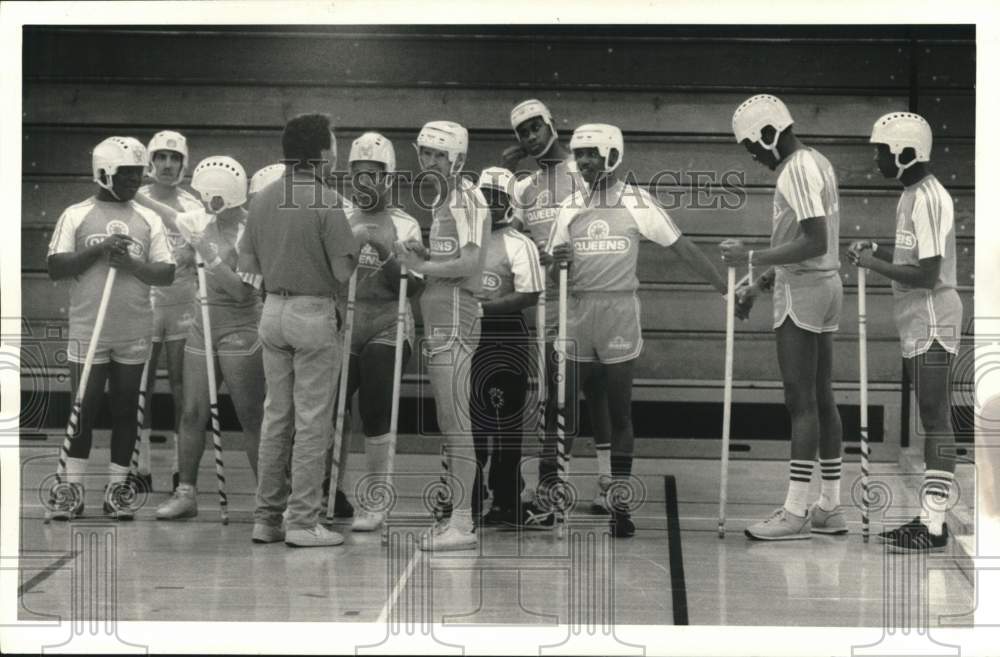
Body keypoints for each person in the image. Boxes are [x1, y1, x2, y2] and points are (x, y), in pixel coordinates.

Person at [551, 124, 727, 537]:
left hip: (618, 312)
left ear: (613, 154)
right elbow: (551, 265)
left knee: (618, 410)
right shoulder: (569, 206)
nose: (586, 161)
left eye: (593, 152)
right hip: (577, 311)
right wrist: (555, 262)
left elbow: (680, 246)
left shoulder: (636, 201)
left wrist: (724, 286)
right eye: (580, 155)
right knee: (562, 412)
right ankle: (553, 498)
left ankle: (620, 501)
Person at [720, 94, 845, 541]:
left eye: (753, 146)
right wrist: (758, 283)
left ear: (769, 133)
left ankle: (794, 512)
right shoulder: (818, 162)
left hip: (805, 291)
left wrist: (751, 255)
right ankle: (829, 507)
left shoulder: (795, 169)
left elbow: (813, 240)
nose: (754, 157)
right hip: (825, 286)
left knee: (801, 402)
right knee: (822, 397)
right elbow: (810, 241)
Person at [238, 113, 360, 548]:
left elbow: (248, 264)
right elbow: (343, 270)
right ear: (322, 153)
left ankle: (266, 518)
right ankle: (304, 522)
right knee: (312, 421)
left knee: (277, 416)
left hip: (272, 308)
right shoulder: (328, 200)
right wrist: (357, 243)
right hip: (312, 311)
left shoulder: (262, 198)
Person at [849, 112, 963, 553]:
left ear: (904, 151)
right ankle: (929, 519)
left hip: (932, 315)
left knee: (936, 418)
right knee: (931, 418)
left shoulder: (930, 198)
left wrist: (871, 264)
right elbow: (913, 254)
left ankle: (933, 526)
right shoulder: (910, 196)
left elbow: (929, 274)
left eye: (881, 150)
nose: (876, 159)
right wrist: (877, 249)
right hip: (916, 316)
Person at [46, 136, 175, 520]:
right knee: (82, 410)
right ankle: (73, 490)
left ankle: (118, 488)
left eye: (139, 172)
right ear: (104, 173)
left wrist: (132, 264)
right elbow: (55, 267)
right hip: (89, 329)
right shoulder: (76, 214)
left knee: (125, 411)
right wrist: (99, 251)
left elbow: (166, 273)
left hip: (134, 329)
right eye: (128, 173)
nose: (136, 180)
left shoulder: (149, 219)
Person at [134, 156, 266, 520]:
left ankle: (269, 499)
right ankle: (186, 493)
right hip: (201, 325)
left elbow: (242, 292)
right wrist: (175, 259)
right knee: (191, 411)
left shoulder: (251, 231)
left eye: (209, 196)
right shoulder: (198, 221)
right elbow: (175, 247)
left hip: (241, 328)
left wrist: (205, 252)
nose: (205, 201)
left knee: (250, 415)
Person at [505, 100, 616, 518]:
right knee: (555, 394)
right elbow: (511, 236)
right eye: (523, 132)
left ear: (552, 125)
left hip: (590, 295)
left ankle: (605, 481)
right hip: (548, 303)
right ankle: (553, 481)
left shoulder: (582, 171)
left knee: (598, 390)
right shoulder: (526, 185)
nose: (530, 137)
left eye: (536, 127)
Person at [395, 120, 489, 551]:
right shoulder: (447, 199)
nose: (429, 162)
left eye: (439, 155)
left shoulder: (467, 198)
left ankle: (463, 522)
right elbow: (454, 255)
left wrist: (421, 267)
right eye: (425, 153)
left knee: (456, 422)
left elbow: (470, 265)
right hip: (441, 315)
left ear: (457, 159)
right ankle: (458, 515)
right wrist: (427, 254)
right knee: (450, 421)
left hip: (454, 315)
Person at [339, 132, 424, 532]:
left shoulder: (405, 224)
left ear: (387, 178)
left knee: (375, 403)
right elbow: (331, 274)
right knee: (332, 410)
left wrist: (381, 246)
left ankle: (376, 498)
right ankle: (329, 490)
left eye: (372, 175)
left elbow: (414, 284)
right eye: (357, 175)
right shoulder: (338, 217)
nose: (364, 183)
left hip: (389, 321)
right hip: (345, 321)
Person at [470, 166, 543, 524]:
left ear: (511, 202)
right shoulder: (466, 239)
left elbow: (528, 295)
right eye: (486, 196)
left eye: (499, 197)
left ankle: (505, 498)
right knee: (472, 416)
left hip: (506, 335)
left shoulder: (519, 243)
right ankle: (467, 493)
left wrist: (483, 308)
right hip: (469, 336)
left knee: (506, 419)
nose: (492, 204)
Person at [138, 130, 202, 492]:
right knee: (140, 386)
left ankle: (181, 467)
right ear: (151, 161)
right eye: (160, 157)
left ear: (183, 163)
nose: (166, 164)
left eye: (173, 158)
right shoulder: (136, 198)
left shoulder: (192, 205)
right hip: (144, 303)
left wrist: (192, 254)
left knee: (183, 386)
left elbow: (206, 248)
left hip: (182, 304)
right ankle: (140, 466)